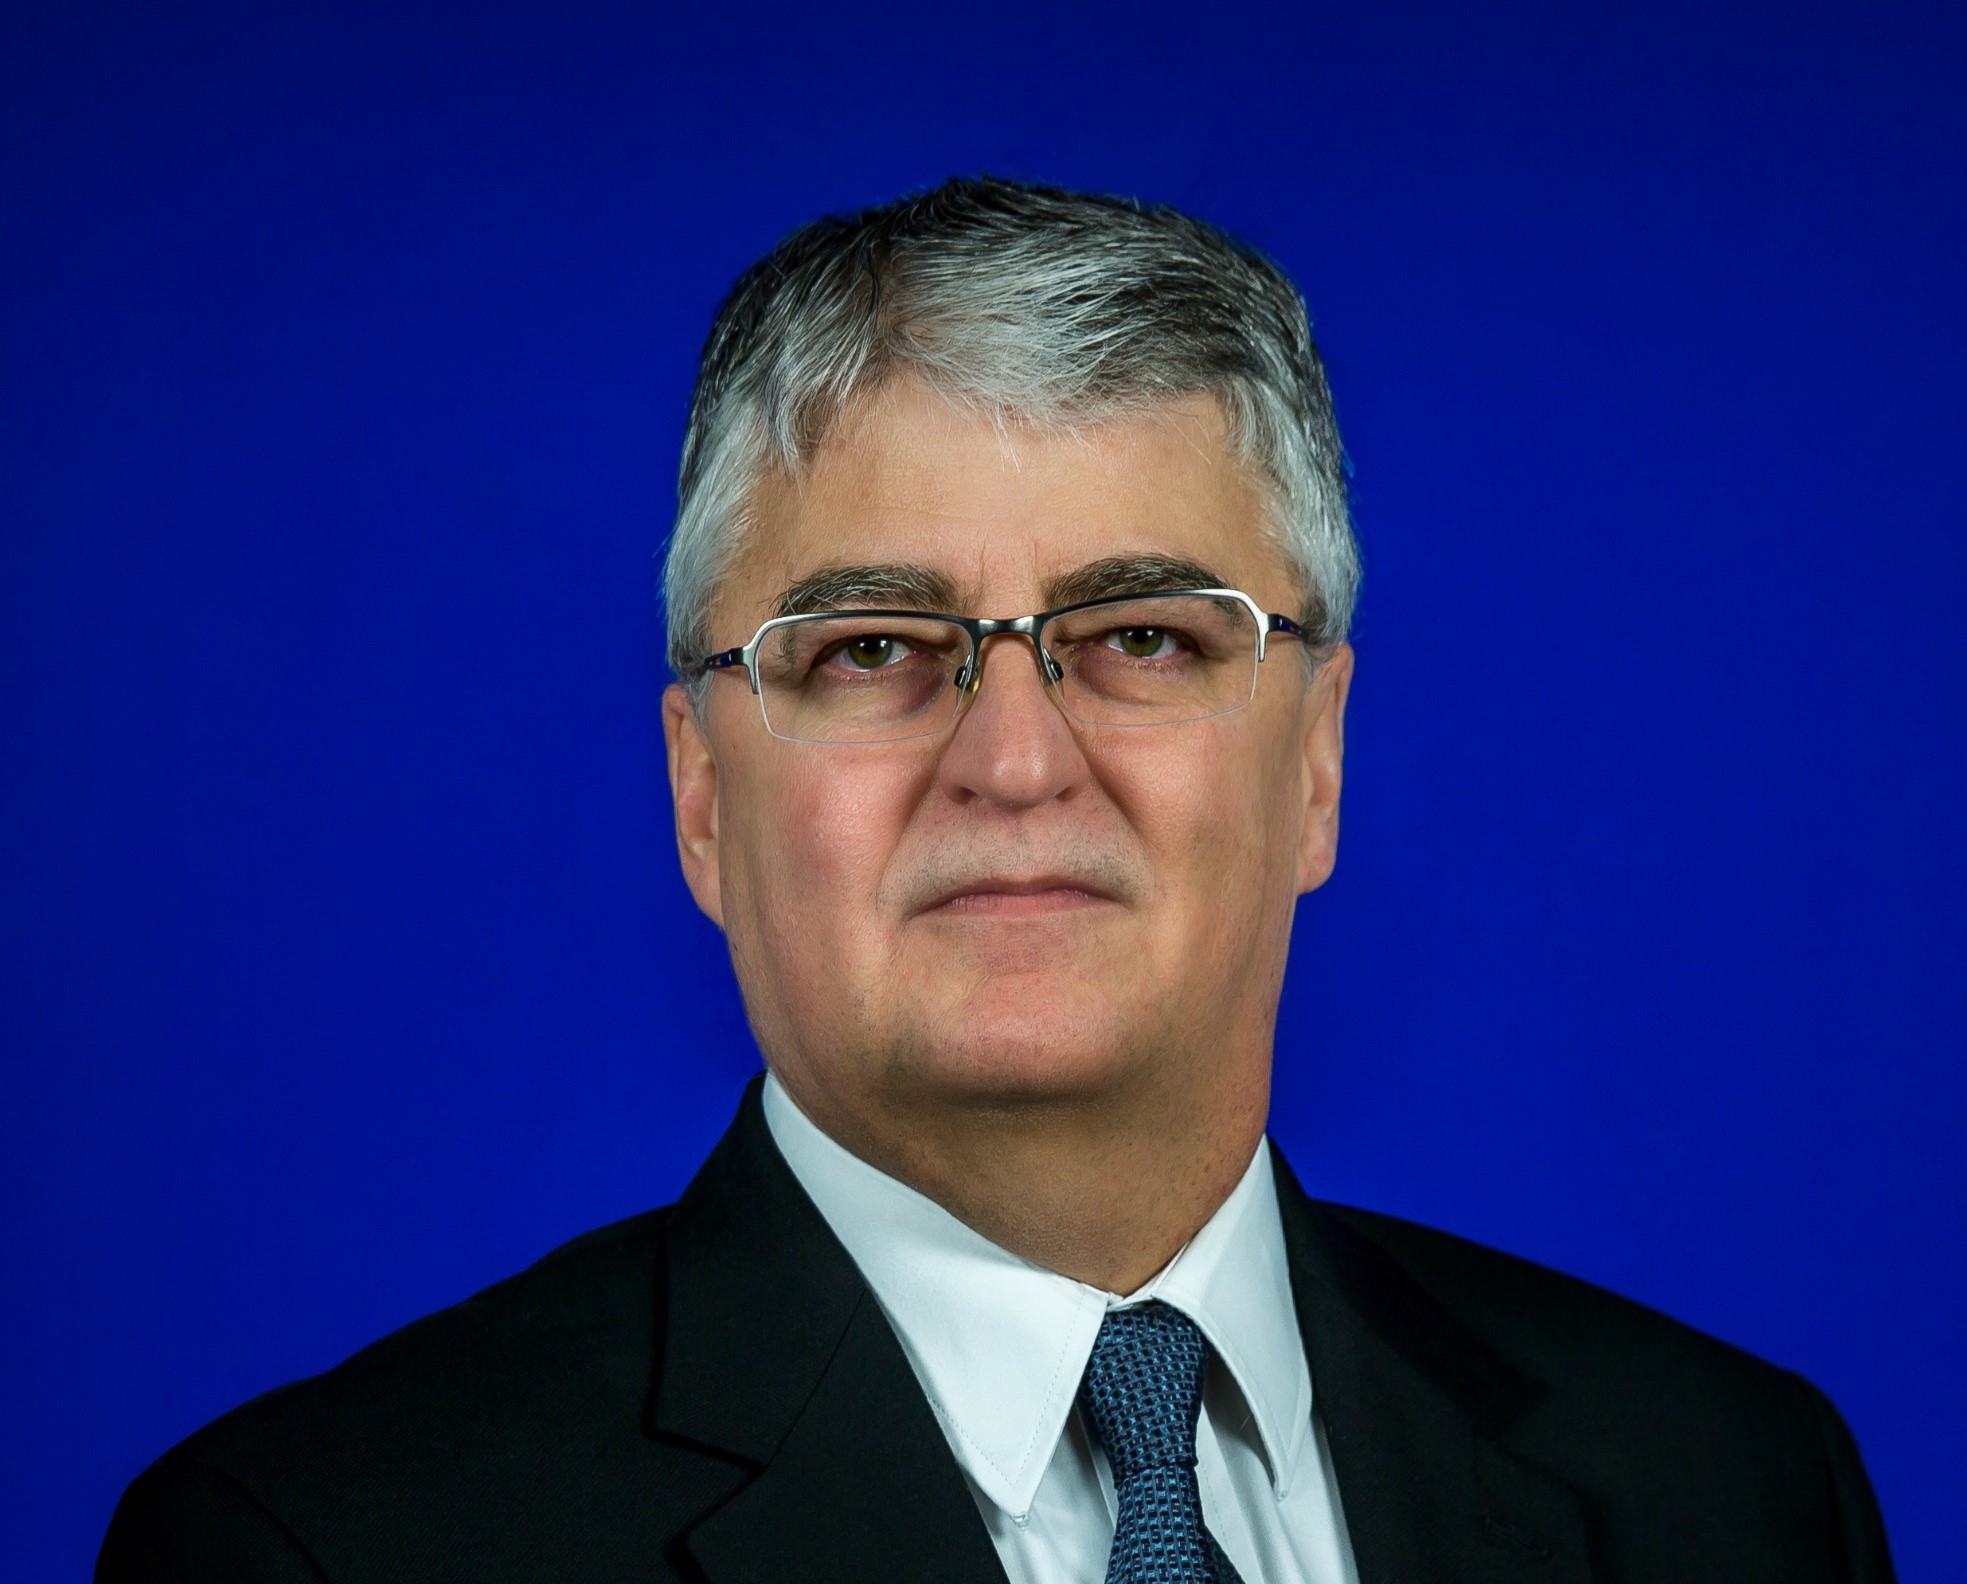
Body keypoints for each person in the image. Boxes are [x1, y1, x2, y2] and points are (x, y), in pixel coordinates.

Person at [98, 176, 1895, 1584]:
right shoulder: (319, 1550)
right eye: (874, 649)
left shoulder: (1738, 1496)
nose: (1016, 759)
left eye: (1146, 637)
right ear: (703, 798)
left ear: (1319, 762)